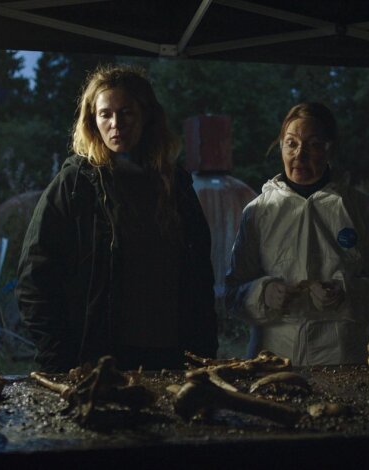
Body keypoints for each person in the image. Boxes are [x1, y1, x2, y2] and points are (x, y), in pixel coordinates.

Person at [16, 64, 218, 372]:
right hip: (99, 359)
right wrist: (57, 357)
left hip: (171, 357)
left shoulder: (175, 183)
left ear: (146, 116)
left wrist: (204, 352)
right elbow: (35, 278)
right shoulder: (76, 184)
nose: (116, 124)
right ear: (92, 120)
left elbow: (200, 276)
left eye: (126, 113)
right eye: (105, 114)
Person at [225, 102, 369, 366]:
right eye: (291, 143)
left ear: (330, 148)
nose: (300, 155)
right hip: (272, 362)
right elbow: (232, 294)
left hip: (344, 362)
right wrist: (262, 294)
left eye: (313, 145)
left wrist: (347, 293)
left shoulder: (361, 210)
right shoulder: (258, 212)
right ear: (281, 146)